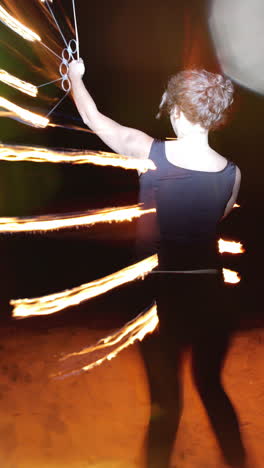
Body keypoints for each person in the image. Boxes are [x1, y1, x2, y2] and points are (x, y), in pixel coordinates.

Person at [69, 62, 247, 468]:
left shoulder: (148, 151)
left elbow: (92, 118)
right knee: (212, 388)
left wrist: (76, 74)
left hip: (163, 297)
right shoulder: (234, 174)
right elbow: (217, 217)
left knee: (166, 404)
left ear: (179, 112)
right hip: (213, 294)